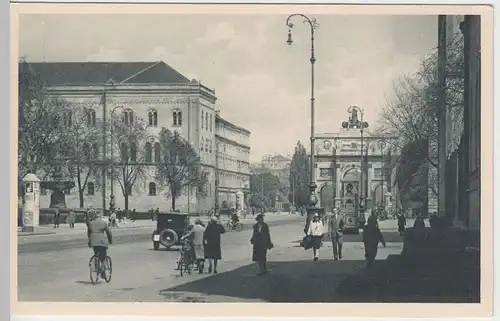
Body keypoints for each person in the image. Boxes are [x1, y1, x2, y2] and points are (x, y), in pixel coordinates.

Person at [87, 211, 113, 278]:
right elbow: (109, 233)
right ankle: (102, 270)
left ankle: (96, 267)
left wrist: (90, 242)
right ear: (100, 217)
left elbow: (88, 234)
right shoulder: (103, 223)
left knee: (96, 254)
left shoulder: (91, 223)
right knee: (103, 256)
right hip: (102, 241)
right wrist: (110, 241)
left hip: (93, 242)